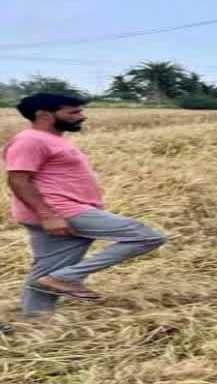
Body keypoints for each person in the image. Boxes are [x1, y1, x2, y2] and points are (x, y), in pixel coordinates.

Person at [4, 93, 167, 316]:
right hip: (62, 210)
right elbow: (18, 181)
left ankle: (34, 325)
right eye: (73, 112)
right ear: (43, 115)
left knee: (47, 272)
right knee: (146, 236)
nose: (82, 116)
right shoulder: (30, 140)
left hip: (61, 212)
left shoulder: (52, 139)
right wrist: (48, 216)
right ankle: (67, 278)